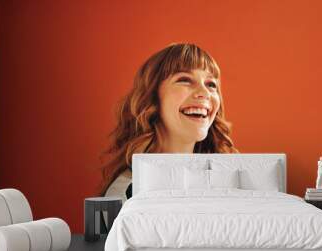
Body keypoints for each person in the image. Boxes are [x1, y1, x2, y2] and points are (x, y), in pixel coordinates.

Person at [100, 43, 238, 202]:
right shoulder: (126, 193)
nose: (204, 93)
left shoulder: (225, 181)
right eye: (184, 80)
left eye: (211, 84)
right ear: (153, 98)